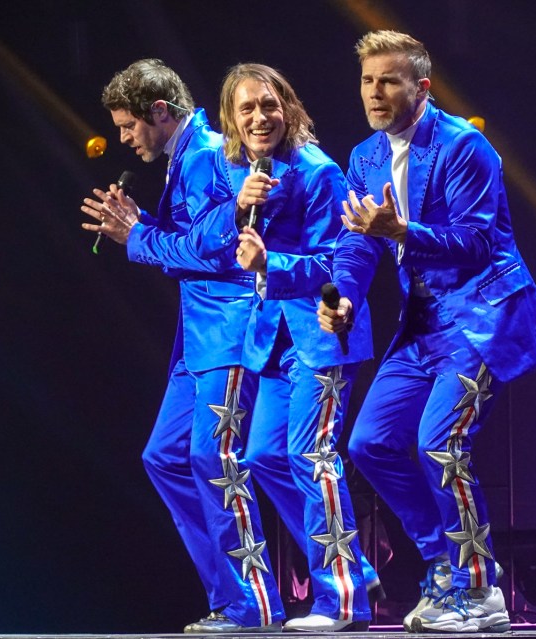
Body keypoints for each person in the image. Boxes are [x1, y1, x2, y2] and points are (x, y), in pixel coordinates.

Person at [317, 31, 536, 633]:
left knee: (439, 443)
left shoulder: (463, 146)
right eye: (368, 81)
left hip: (480, 317)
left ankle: (480, 589)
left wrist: (401, 232)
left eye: (389, 81)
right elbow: (356, 240)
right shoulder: (366, 156)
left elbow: (479, 241)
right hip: (422, 321)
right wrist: (345, 297)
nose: (375, 93)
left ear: (421, 87)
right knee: (369, 444)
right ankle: (443, 568)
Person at [79, 59, 284, 633]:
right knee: (164, 456)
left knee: (210, 459)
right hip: (199, 340)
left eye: (128, 126)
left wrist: (137, 236)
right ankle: (232, 597)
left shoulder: (210, 154)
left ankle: (254, 606)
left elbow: (221, 249)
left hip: (231, 331)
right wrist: (142, 225)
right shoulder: (186, 158)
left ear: (160, 112)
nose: (124, 138)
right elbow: (194, 240)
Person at [193, 62, 377, 631]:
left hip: (320, 334)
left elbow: (339, 258)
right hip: (273, 340)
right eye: (245, 109)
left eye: (268, 105)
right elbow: (210, 246)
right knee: (264, 457)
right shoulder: (247, 173)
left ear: (288, 108)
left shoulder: (319, 171)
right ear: (230, 120)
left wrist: (271, 263)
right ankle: (353, 566)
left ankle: (343, 597)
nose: (258, 117)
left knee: (311, 456)